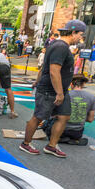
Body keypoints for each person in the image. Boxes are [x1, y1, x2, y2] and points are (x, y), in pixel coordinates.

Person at [19, 19, 86, 158]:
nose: (81, 38)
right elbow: (53, 71)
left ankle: (51, 146)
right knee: (38, 117)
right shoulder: (60, 47)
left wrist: (37, 81)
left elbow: (44, 67)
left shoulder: (59, 46)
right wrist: (59, 93)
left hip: (59, 90)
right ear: (73, 32)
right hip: (51, 91)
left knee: (64, 116)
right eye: (80, 34)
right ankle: (25, 143)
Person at [42, 74, 95, 145]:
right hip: (77, 132)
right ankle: (73, 139)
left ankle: (59, 138)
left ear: (71, 84)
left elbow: (53, 115)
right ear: (83, 84)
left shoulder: (63, 95)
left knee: (49, 122)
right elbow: (90, 119)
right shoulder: (92, 97)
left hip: (61, 129)